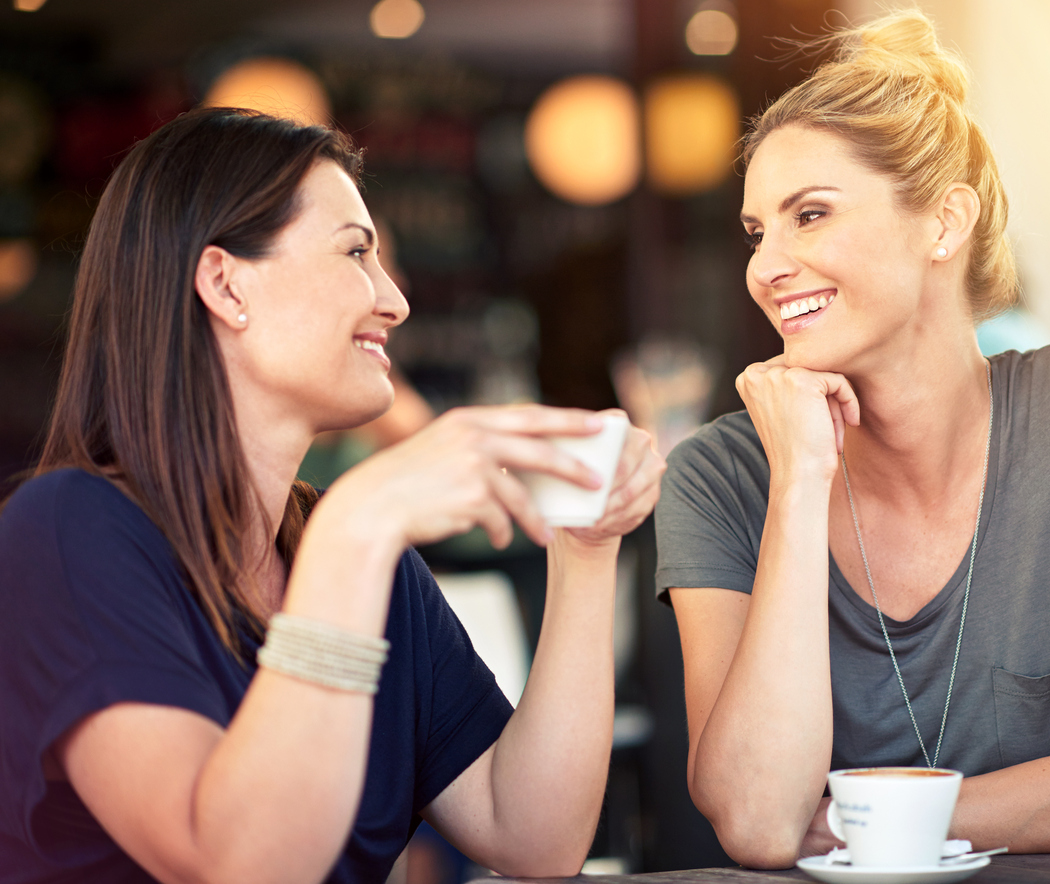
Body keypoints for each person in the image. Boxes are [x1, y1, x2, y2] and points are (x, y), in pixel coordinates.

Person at [0, 108, 666, 884]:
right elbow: (235, 865)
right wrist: (361, 524)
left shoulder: (354, 555)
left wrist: (584, 549)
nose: (395, 301)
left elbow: (530, 835)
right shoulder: (67, 531)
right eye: (357, 252)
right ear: (224, 283)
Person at [655, 10, 1050, 868]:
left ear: (943, 223)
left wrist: (853, 823)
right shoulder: (720, 476)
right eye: (758, 232)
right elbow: (756, 822)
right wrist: (796, 485)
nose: (764, 267)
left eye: (810, 214)